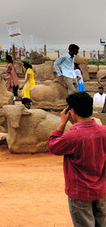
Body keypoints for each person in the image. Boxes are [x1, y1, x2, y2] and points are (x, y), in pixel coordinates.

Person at [48, 91, 106, 226]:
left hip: (80, 191)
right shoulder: (104, 132)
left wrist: (62, 123)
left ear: (72, 111)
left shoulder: (71, 137)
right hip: (102, 190)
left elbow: (53, 146)